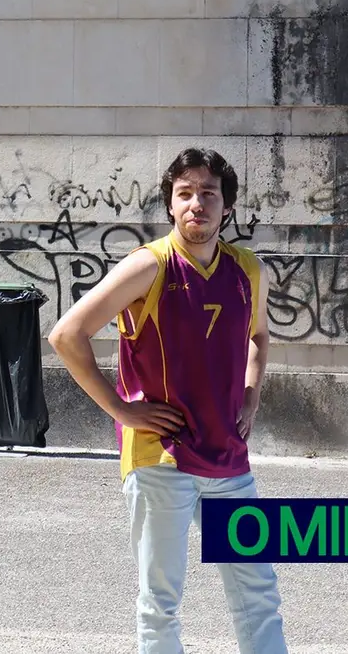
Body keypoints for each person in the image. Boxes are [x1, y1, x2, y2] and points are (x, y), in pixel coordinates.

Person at [48, 148, 287, 654]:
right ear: (170, 205)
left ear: (227, 208)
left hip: (228, 457)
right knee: (162, 601)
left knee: (258, 593)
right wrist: (121, 410)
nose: (196, 203)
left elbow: (259, 335)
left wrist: (251, 395)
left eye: (208, 194)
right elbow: (67, 334)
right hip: (162, 458)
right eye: (184, 194)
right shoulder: (148, 267)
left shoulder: (248, 270)